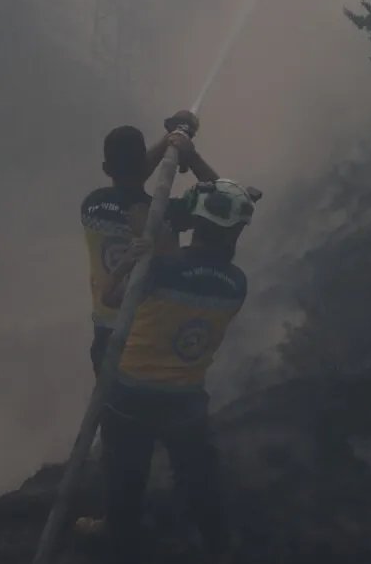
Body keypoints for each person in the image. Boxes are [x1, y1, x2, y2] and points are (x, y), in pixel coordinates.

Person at [95, 178, 259, 564]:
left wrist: (131, 262)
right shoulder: (237, 285)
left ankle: (122, 544)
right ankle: (218, 547)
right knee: (199, 477)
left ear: (195, 224)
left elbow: (110, 298)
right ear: (234, 234)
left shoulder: (158, 269)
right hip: (185, 398)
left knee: (125, 479)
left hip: (129, 395)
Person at [80, 113, 219, 377]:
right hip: (149, 336)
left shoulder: (92, 206)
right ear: (143, 162)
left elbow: (134, 175)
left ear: (106, 169)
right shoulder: (167, 214)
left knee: (110, 408)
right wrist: (189, 155)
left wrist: (171, 139)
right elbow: (226, 202)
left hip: (105, 336)